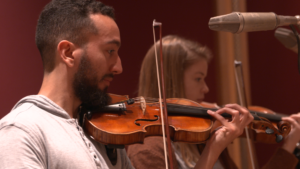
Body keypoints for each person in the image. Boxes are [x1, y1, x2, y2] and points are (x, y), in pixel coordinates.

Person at [0, 0, 254, 169]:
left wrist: (213, 147)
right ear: (67, 53)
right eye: (110, 51)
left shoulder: (101, 131)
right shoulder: (22, 131)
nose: (119, 67)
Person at [127, 35, 300, 169]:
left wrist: (289, 145)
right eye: (198, 79)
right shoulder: (147, 147)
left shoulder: (201, 138)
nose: (206, 89)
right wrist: (214, 149)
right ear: (171, 81)